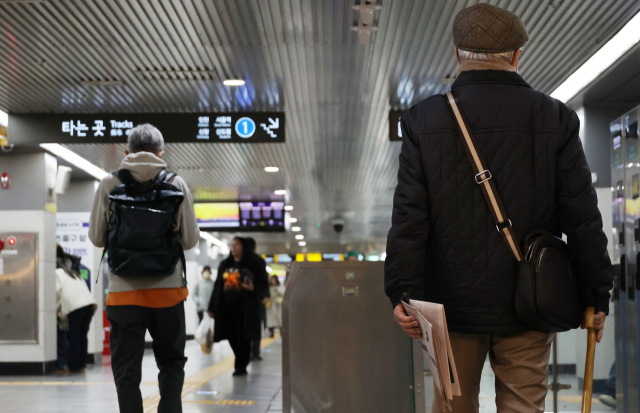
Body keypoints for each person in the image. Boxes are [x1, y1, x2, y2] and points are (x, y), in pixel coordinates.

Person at [384, 4, 613, 413]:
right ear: (516, 55)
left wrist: (403, 294)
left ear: (457, 55)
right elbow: (581, 216)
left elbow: (409, 217)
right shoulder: (554, 118)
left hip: (448, 310)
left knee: (453, 407)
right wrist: (596, 293)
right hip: (530, 303)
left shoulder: (424, 119)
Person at [89, 124, 199, 413]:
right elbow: (189, 240)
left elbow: (97, 237)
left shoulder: (109, 184)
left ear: (127, 152)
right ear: (161, 153)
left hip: (124, 296)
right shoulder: (176, 184)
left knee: (126, 372)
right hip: (168, 293)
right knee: (171, 364)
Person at [207, 237, 268, 376]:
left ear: (243, 247)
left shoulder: (253, 264)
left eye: (237, 244)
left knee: (244, 336)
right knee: (230, 334)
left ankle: (240, 365)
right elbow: (217, 287)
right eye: (232, 245)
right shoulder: (225, 264)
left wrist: (253, 287)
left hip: (245, 308)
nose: (233, 247)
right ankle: (240, 358)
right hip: (227, 307)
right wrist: (211, 308)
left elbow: (263, 283)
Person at [55, 245, 97, 373]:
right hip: (89, 305)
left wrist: (56, 310)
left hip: (76, 307)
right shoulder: (72, 272)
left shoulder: (57, 273)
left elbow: (57, 292)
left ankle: (73, 366)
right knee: (82, 336)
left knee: (74, 336)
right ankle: (81, 365)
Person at [246, 237, 270, 361]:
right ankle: (255, 353)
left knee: (245, 327)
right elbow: (265, 280)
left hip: (244, 300)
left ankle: (247, 352)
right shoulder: (259, 260)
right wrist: (266, 296)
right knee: (256, 327)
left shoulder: (241, 260)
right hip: (257, 299)